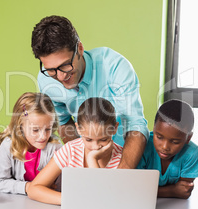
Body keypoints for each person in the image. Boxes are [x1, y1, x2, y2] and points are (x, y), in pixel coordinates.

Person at [31, 15, 148, 169]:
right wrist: (83, 166)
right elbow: (64, 122)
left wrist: (121, 175)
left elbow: (135, 124)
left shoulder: (114, 67)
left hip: (126, 161)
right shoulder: (46, 80)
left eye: (65, 65)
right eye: (51, 70)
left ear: (79, 49)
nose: (60, 76)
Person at [27, 97, 123, 205]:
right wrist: (73, 201)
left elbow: (102, 200)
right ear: (78, 128)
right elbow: (33, 189)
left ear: (115, 128)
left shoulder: (123, 157)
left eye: (103, 139)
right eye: (88, 139)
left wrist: (92, 160)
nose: (95, 147)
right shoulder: (70, 150)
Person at [0, 92, 62, 195]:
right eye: (35, 130)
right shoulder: (8, 146)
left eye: (48, 129)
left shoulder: (55, 147)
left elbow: (59, 187)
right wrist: (28, 187)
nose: (43, 136)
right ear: (20, 126)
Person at [137, 99, 198, 199]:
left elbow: (183, 191)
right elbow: (136, 189)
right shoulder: (142, 145)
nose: (165, 147)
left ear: (188, 138)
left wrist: (151, 191)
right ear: (153, 129)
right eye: (159, 137)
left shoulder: (192, 154)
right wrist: (172, 191)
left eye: (175, 142)